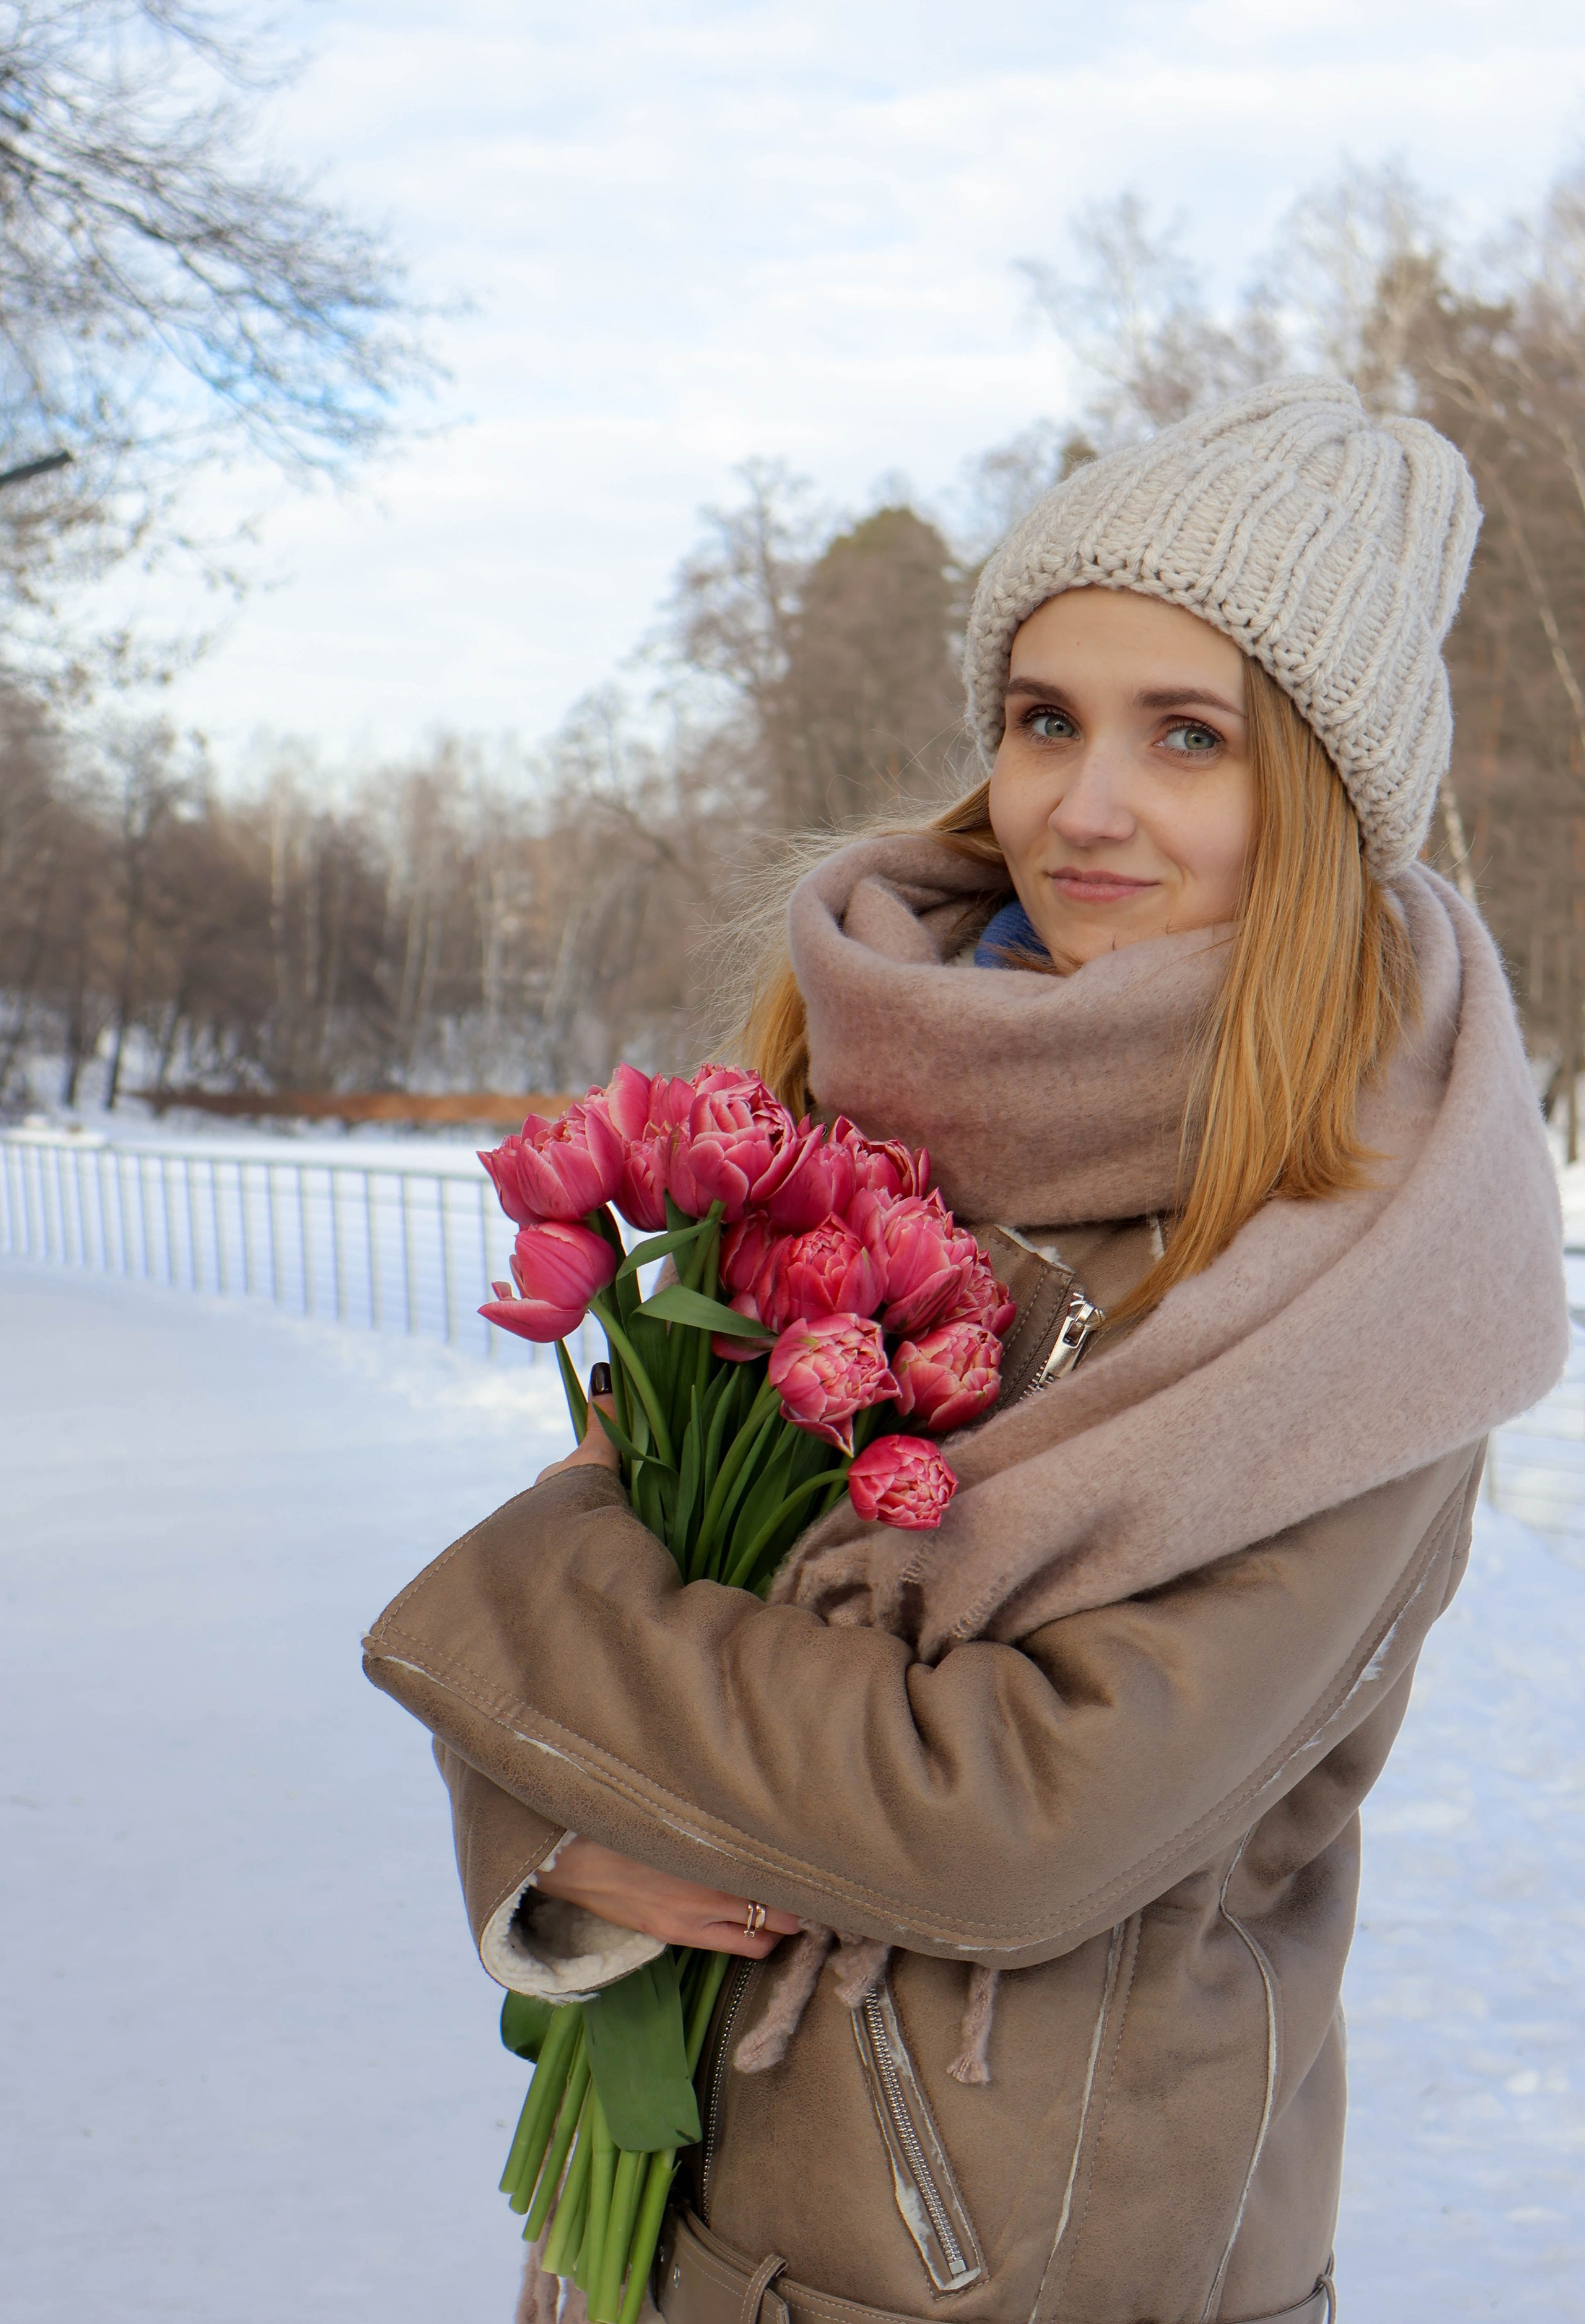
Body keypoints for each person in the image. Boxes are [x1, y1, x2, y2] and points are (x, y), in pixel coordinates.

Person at [365, 380, 1568, 2324]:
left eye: (1191, 736)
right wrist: (557, 1835)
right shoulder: (849, 1098)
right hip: (667, 2249)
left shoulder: (1373, 1258)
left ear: (1329, 800)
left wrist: (542, 1593)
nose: (1084, 804)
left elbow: (1013, 1820)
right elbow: (639, 1570)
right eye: (1044, 718)